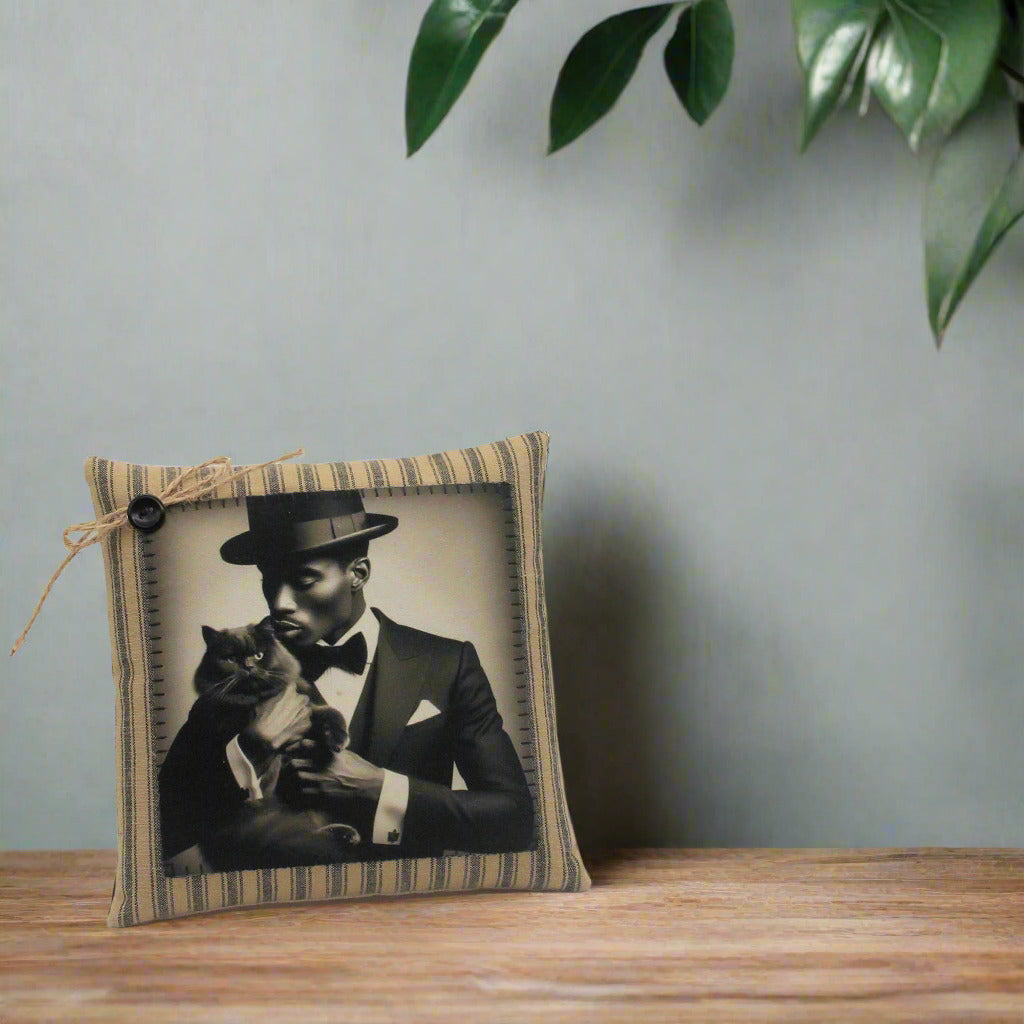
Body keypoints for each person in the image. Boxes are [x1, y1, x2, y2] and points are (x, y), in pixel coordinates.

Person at [158, 491, 534, 870]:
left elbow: (514, 818)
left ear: (358, 574)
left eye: (303, 579)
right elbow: (165, 825)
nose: (279, 602)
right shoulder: (231, 678)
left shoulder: (448, 663)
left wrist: (380, 788)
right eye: (269, 582)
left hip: (412, 910)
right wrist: (249, 752)